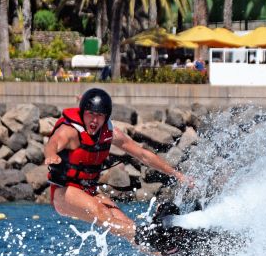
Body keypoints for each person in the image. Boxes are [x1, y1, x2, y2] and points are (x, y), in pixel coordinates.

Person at [44, 88, 191, 245]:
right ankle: (149, 233)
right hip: (64, 194)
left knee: (126, 224)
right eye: (90, 114)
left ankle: (173, 254)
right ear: (82, 112)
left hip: (89, 192)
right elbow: (53, 143)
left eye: (99, 116)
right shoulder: (71, 132)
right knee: (101, 213)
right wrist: (51, 155)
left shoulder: (109, 132)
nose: (94, 120)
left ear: (106, 116)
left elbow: (143, 155)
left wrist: (177, 175)